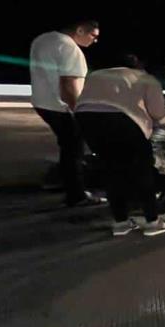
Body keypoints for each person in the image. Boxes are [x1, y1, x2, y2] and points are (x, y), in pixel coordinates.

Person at [74, 66, 165, 236]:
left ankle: (120, 222)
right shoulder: (147, 78)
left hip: (86, 119)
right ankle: (152, 221)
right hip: (122, 120)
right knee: (142, 170)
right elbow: (158, 113)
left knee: (111, 169)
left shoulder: (96, 74)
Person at [29, 19, 105, 206]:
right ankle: (76, 195)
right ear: (80, 30)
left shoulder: (42, 39)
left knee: (68, 147)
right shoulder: (70, 48)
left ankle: (68, 185)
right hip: (61, 107)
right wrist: (80, 112)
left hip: (42, 102)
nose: (94, 41)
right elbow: (69, 86)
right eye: (93, 36)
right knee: (74, 150)